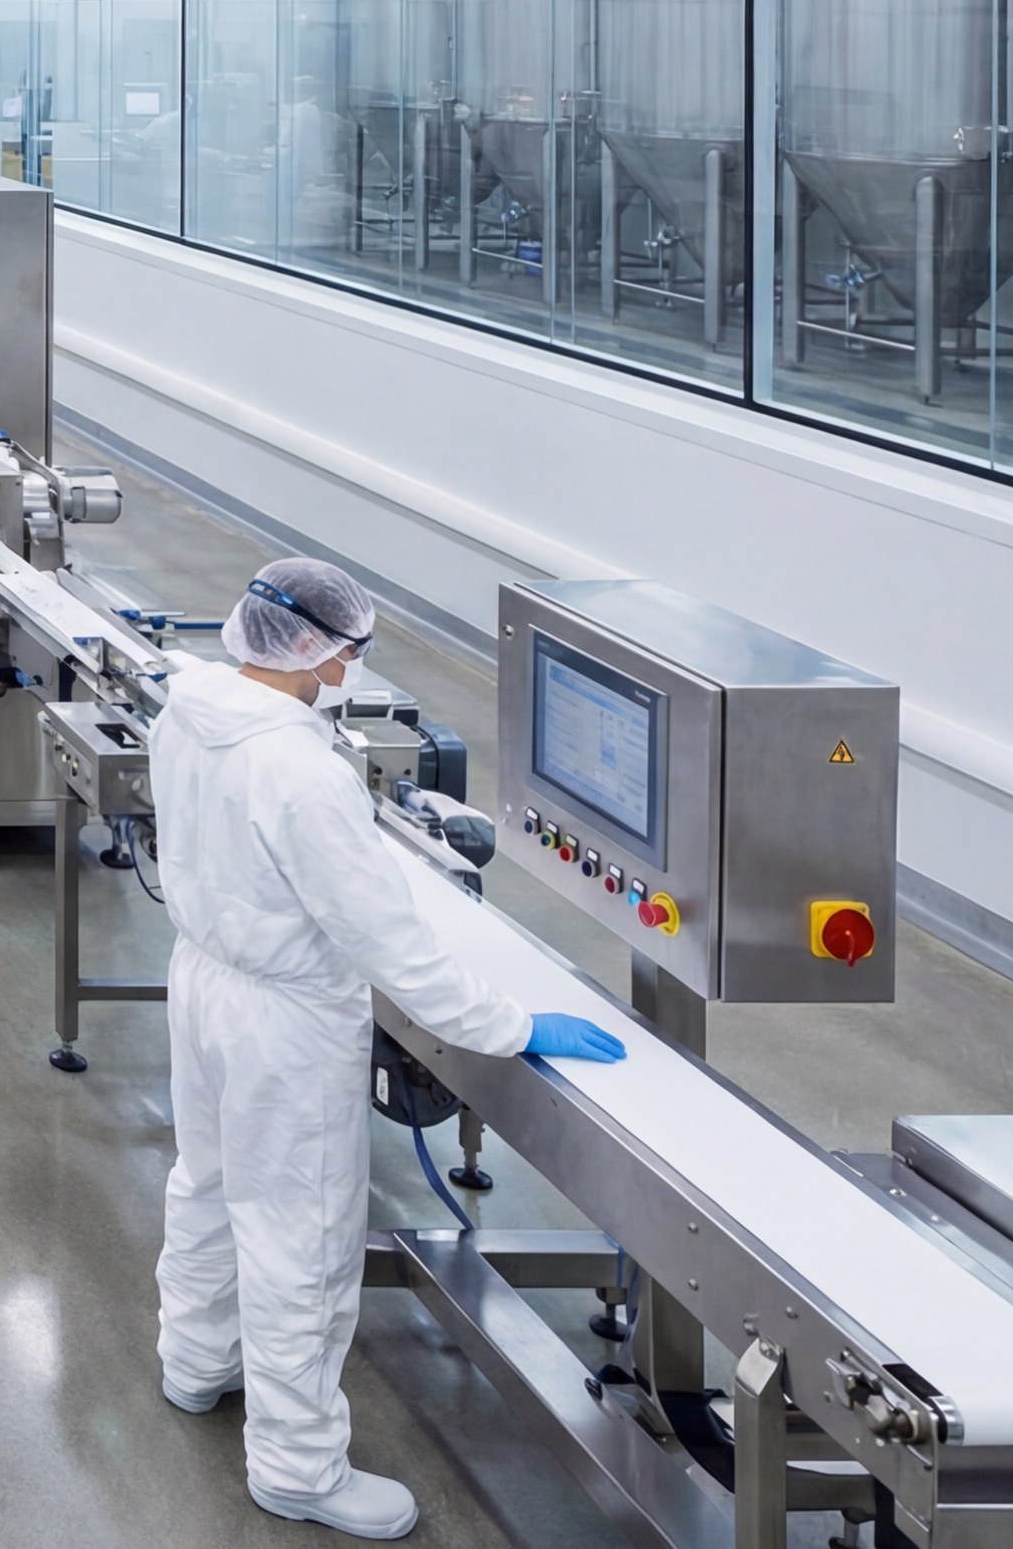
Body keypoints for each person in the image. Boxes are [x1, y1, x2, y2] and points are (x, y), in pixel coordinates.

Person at [151, 558, 629, 1539]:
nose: (354, 669)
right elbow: (395, 952)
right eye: (354, 652)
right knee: (302, 1235)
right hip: (285, 1022)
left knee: (207, 1183)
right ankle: (297, 1467)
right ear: (324, 654)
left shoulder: (188, 710)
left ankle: (195, 1361)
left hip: (204, 983)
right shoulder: (299, 772)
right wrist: (511, 1026)